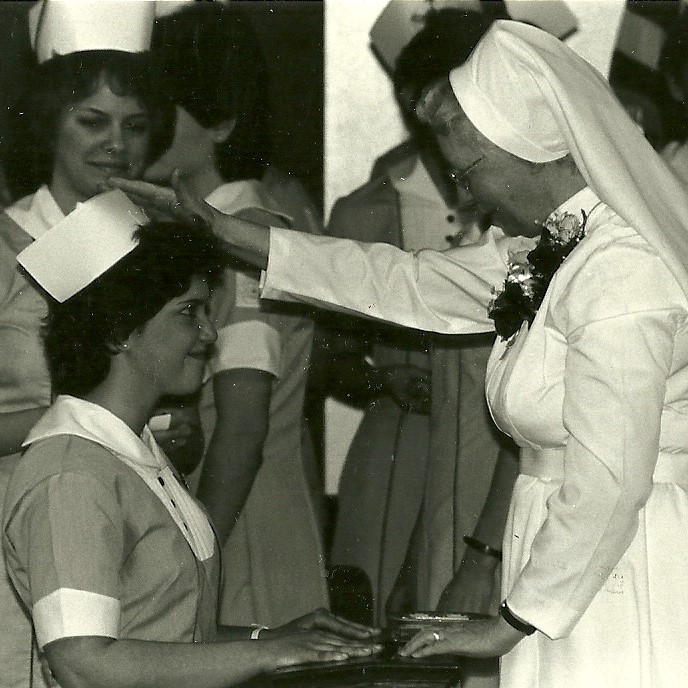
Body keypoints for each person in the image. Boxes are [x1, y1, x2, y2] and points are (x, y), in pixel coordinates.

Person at [112, 19, 688, 687]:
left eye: (471, 171)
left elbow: (611, 479)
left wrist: (512, 620)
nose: (466, 195)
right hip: (565, 560)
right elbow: (410, 281)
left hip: (623, 562)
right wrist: (226, 232)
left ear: (529, 149)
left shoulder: (620, 271)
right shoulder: (560, 246)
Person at [2, 200, 381, 688]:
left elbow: (165, 637)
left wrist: (267, 639)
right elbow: (82, 664)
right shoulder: (71, 472)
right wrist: (269, 656)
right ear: (120, 330)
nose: (209, 333)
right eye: (188, 313)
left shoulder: (133, 455)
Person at [323, 7, 515, 626]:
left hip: (504, 452)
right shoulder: (371, 209)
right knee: (386, 621)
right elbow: (321, 355)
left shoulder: (528, 204)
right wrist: (385, 381)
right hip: (402, 447)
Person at [0, 42, 184, 687]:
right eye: (92, 120)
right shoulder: (4, 241)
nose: (116, 144)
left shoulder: (154, 241)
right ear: (49, 123)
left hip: (134, 521)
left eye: (135, 126)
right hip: (16, 511)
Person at [144, 3, 329, 628]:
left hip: (239, 529)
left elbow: (243, 430)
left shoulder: (247, 233)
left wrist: (197, 566)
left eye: (157, 113)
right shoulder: (201, 227)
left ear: (221, 123)